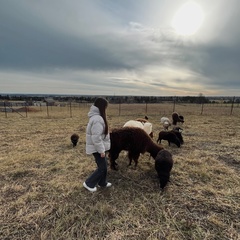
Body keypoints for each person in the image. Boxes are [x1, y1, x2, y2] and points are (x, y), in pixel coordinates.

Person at [83, 97, 112, 192]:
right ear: (102, 107)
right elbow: (96, 137)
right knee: (102, 168)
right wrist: (101, 150)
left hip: (99, 147)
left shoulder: (97, 117)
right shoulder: (98, 119)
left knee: (104, 165)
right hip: (98, 148)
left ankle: (102, 182)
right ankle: (88, 183)